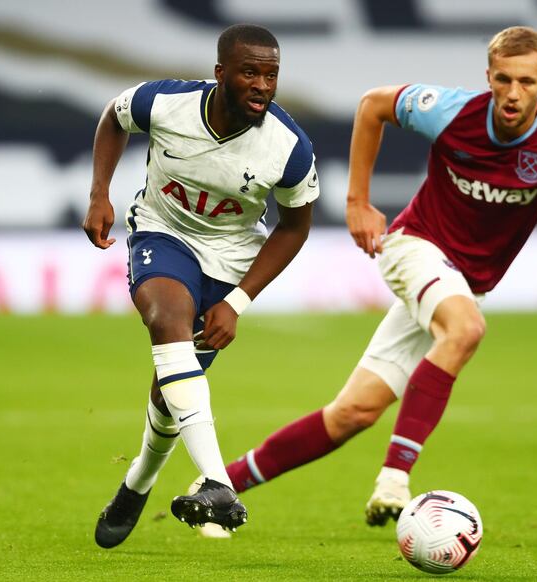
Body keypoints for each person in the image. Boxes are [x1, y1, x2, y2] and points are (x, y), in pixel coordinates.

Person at [211, 25, 537, 536]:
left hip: (462, 282)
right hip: (414, 246)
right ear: (488, 77)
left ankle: (216, 487)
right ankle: (394, 481)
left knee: (352, 413)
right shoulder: (450, 110)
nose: (513, 94)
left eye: (527, 82)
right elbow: (373, 105)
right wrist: (358, 201)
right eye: (503, 79)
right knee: (466, 331)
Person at [83, 23, 319, 548]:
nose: (263, 85)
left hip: (231, 260)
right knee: (166, 321)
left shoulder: (289, 149)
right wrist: (100, 192)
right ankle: (219, 481)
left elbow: (296, 227)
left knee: (172, 390)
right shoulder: (165, 103)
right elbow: (113, 118)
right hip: (163, 233)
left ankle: (136, 482)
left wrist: (237, 300)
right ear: (220, 74)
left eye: (272, 75)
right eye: (250, 72)